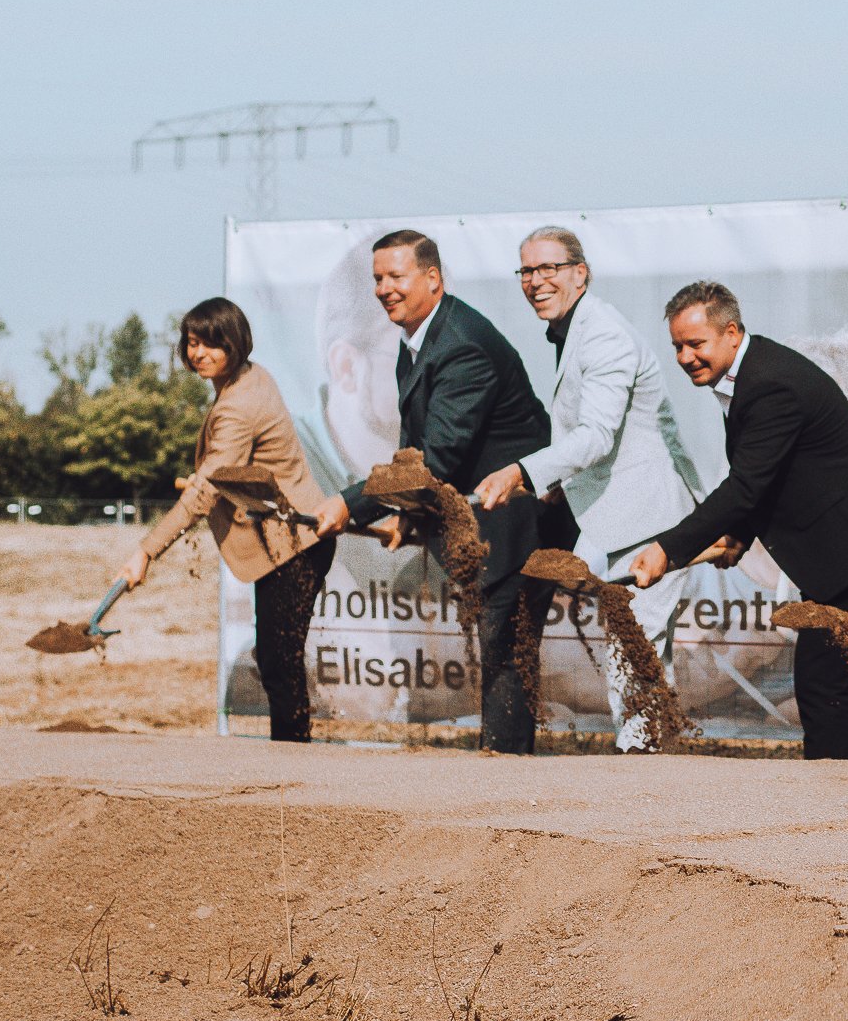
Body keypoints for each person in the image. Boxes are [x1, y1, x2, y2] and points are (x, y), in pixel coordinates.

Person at [630, 281, 848, 760]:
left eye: (695, 344)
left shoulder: (769, 383)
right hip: (845, 535)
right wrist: (738, 536)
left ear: (731, 333)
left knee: (824, 676)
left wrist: (666, 549)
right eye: (677, 345)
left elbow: (746, 485)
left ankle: (835, 786)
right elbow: (772, 473)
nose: (684, 357)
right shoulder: (747, 374)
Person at [315, 229, 568, 754]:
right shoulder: (420, 337)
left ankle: (507, 775)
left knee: (506, 650)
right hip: (484, 526)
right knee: (497, 649)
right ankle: (501, 765)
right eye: (378, 278)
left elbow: (438, 458)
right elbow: (417, 441)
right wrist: (409, 513)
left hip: (517, 526)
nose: (385, 288)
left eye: (396, 276)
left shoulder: (462, 345)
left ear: (432, 278)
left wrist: (351, 500)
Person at [475, 226, 702, 750]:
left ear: (581, 273)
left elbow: (597, 435)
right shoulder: (574, 330)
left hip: (651, 517)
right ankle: (650, 766)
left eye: (549, 268)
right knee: (634, 648)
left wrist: (523, 472)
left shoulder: (602, 334)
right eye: (527, 270)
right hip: (625, 517)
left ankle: (643, 767)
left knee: (634, 647)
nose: (536, 281)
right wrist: (560, 485)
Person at [119, 298, 338, 742]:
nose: (198, 353)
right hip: (285, 541)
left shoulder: (239, 406)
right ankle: (292, 758)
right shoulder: (248, 378)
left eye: (212, 344)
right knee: (278, 661)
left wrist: (146, 551)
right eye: (192, 343)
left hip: (295, 543)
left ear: (235, 344)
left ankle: (294, 765)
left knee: (280, 664)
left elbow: (204, 491)